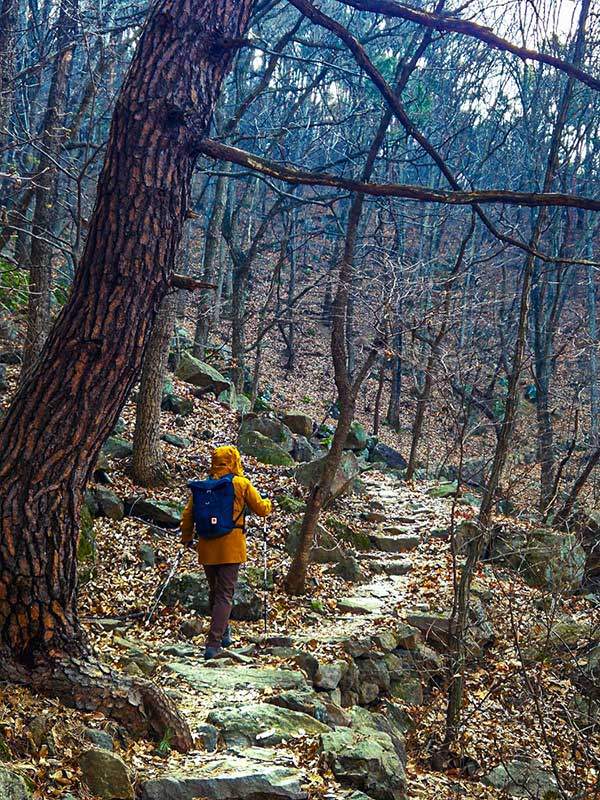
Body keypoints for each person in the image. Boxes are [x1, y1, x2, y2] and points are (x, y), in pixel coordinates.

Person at [181, 445, 272, 659]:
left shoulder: (203, 487)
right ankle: (213, 644)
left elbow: (188, 514)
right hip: (231, 547)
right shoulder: (241, 484)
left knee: (215, 591)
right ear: (234, 461)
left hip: (206, 546)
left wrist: (186, 538)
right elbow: (262, 509)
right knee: (225, 594)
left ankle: (223, 634)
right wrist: (268, 502)